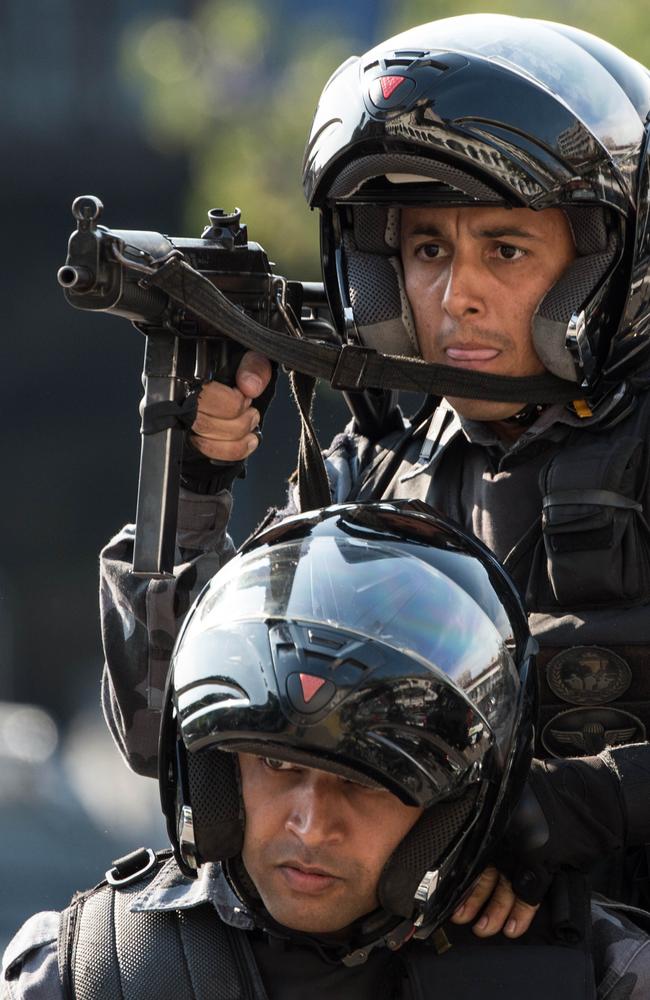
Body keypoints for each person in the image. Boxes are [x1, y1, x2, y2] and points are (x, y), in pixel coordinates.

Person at [99, 15, 650, 918]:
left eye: (503, 250)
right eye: (428, 250)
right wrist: (192, 485)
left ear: (603, 270)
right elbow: (173, 739)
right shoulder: (381, 468)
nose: (452, 294)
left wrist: (568, 807)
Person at [5, 502, 650, 998]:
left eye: (366, 783)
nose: (310, 825)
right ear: (218, 773)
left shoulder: (596, 977)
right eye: (278, 765)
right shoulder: (88, 971)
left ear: (454, 808)